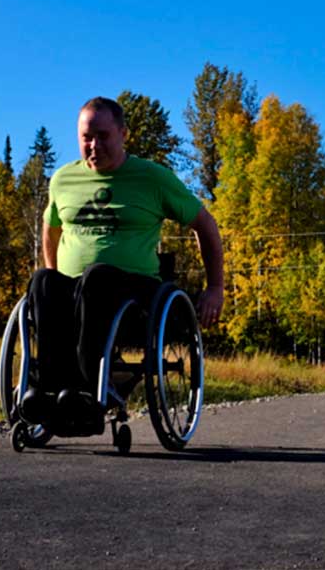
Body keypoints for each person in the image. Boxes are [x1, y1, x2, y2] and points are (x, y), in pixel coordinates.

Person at [21, 96, 224, 424]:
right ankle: (52, 392)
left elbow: (206, 225)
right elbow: (51, 229)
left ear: (123, 134)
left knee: (97, 276)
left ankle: (88, 393)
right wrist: (55, 272)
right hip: (77, 292)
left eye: (103, 136)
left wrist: (215, 286)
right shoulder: (62, 180)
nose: (93, 145)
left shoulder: (153, 178)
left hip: (134, 295)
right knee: (43, 280)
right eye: (86, 137)